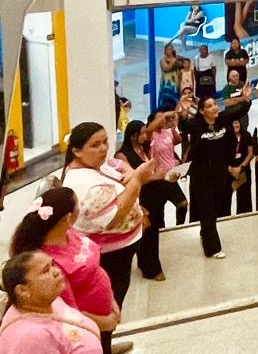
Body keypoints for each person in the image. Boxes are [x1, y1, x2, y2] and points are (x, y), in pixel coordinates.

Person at [9, 186, 122, 354]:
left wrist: (112, 302)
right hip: (86, 327)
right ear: (68, 218)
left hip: (104, 317)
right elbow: (69, 312)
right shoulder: (46, 263)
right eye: (78, 206)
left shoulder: (69, 232)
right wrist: (108, 322)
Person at [60, 122, 153, 313]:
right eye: (95, 145)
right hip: (110, 256)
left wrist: (129, 172)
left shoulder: (95, 164)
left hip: (122, 250)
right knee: (109, 303)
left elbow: (115, 164)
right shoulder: (83, 183)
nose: (103, 149)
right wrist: (137, 179)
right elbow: (115, 217)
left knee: (118, 295)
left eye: (105, 142)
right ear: (77, 151)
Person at [181, 89, 252, 259]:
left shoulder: (223, 119)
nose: (214, 108)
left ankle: (205, 232)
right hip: (202, 175)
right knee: (207, 208)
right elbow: (182, 126)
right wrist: (183, 111)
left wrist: (246, 98)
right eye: (210, 106)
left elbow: (240, 110)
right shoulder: (196, 125)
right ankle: (212, 248)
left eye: (214, 104)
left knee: (215, 207)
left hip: (220, 173)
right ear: (202, 111)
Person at [0, 251, 103, 354]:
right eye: (45, 271)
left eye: (52, 265)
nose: (57, 271)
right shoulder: (29, 338)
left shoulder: (51, 301)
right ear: (23, 290)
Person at [115, 120, 171, 284]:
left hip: (153, 195)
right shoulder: (122, 155)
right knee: (147, 234)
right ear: (133, 136)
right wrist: (154, 176)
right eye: (142, 133)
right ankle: (151, 268)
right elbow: (130, 179)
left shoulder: (143, 149)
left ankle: (146, 262)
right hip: (140, 196)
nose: (145, 136)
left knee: (152, 232)